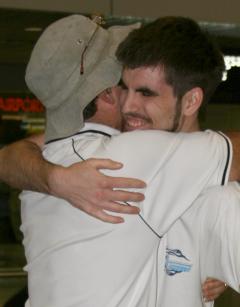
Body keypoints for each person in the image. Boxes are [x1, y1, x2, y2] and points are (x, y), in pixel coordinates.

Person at [19, 15, 240, 307]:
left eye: (145, 93)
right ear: (106, 94)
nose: (129, 105)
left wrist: (208, 261)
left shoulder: (44, 164)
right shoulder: (127, 162)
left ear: (190, 101)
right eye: (123, 86)